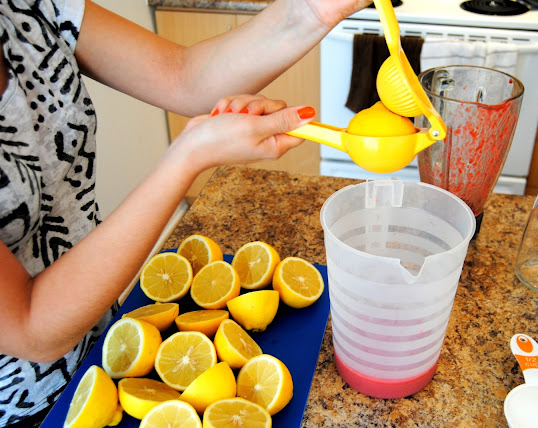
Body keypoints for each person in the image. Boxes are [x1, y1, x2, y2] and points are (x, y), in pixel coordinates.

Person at [0, 0, 372, 425]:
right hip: (25, 402)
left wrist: (313, 10)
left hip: (111, 340)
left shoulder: (26, 7)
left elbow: (180, 75)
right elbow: (30, 329)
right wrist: (187, 156)